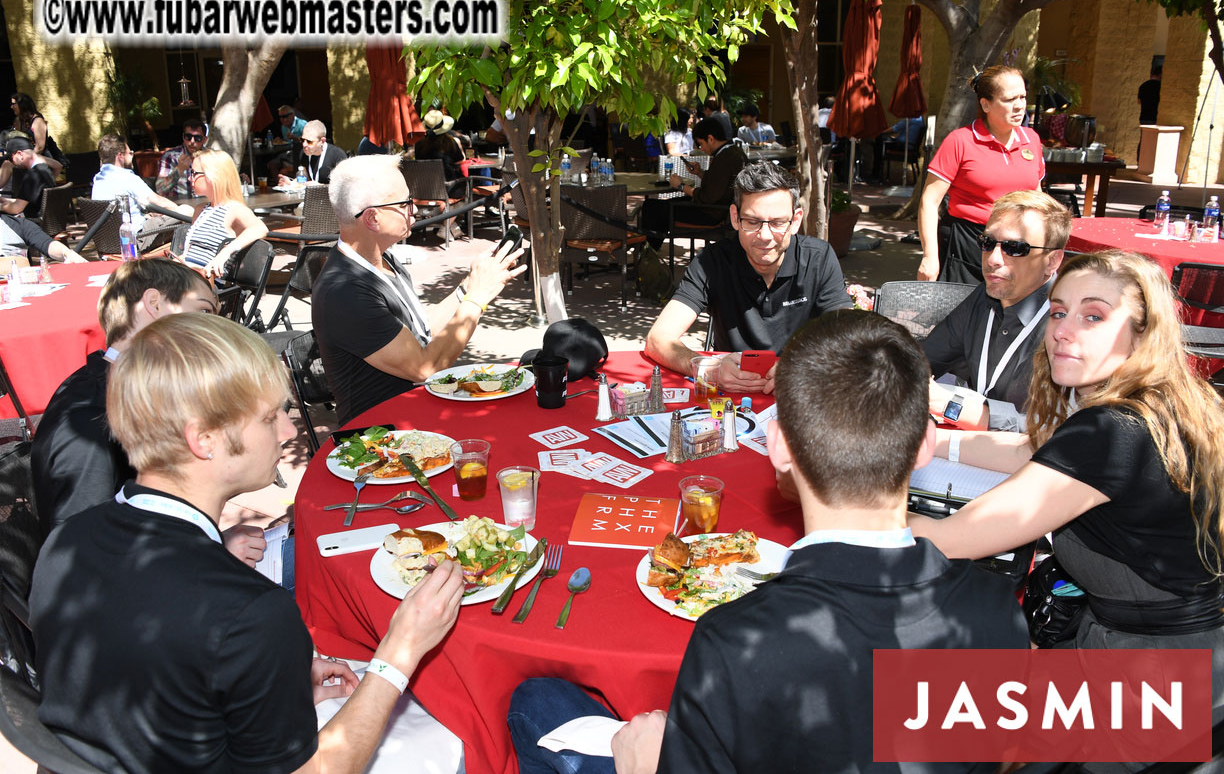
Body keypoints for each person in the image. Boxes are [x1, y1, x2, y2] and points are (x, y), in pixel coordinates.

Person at [509, 310, 1028, 774]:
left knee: (535, 702)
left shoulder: (734, 638)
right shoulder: (998, 609)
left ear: (778, 448)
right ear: (925, 448)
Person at [30, 312, 465, 774]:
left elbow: (138, 678)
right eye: (269, 416)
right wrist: (399, 652)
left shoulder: (64, 542)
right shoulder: (249, 611)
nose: (288, 431)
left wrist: (264, 689)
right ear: (204, 439)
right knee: (459, 734)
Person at [911, 249, 1224, 718]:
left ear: (1143, 335)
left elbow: (949, 538)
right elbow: (1037, 452)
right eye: (1058, 312)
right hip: (1162, 649)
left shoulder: (1112, 431)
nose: (1062, 329)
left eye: (1093, 316)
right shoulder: (1149, 404)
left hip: (1154, 677)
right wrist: (931, 442)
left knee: (915, 707)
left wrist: (843, 504)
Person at [312, 154, 526, 423]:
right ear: (372, 219)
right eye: (404, 203)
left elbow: (422, 332)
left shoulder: (381, 259)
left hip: (415, 418)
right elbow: (426, 367)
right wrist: (477, 298)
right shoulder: (344, 293)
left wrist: (468, 287)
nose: (412, 208)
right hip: (381, 442)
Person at [31, 258, 219, 536]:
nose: (214, 330)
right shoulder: (91, 415)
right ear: (154, 303)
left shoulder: (121, 387)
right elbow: (78, 550)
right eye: (203, 311)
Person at [644, 162, 851, 395]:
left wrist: (800, 366)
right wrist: (709, 367)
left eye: (777, 223)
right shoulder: (711, 261)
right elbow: (658, 339)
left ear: (795, 221)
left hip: (800, 389)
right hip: (729, 398)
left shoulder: (819, 258)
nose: (764, 236)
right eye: (752, 222)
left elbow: (846, 336)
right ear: (735, 217)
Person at [923, 190, 1070, 432]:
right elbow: (922, 362)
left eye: (1015, 248)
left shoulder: (1069, 325)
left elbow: (1056, 430)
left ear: (1052, 261)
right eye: (987, 243)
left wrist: (959, 409)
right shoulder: (985, 295)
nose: (993, 259)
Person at [918, 65, 1045, 284]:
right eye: (1009, 99)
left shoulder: (1031, 139)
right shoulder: (960, 141)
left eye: (1023, 97)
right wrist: (930, 256)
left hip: (1016, 245)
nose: (1019, 106)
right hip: (968, 242)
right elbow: (929, 201)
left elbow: (1037, 196)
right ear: (986, 104)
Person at [641, 117, 747, 248]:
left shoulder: (724, 159)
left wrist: (681, 186)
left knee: (652, 208)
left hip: (712, 213)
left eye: (701, 144)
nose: (701, 149)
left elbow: (708, 197)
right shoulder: (734, 152)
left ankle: (648, 253)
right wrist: (700, 173)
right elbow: (720, 183)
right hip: (719, 209)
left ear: (711, 139)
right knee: (658, 208)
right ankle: (649, 250)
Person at [177, 149, 270, 279]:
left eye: (193, 173)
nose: (189, 177)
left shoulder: (233, 209)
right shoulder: (200, 209)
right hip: (187, 275)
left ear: (212, 176)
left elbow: (260, 228)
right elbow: (193, 251)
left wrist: (226, 252)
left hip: (205, 281)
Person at [92, 134, 186, 245]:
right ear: (120, 156)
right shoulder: (127, 177)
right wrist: (178, 211)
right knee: (187, 211)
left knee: (155, 215)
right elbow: (158, 201)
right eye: (130, 153)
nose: (132, 157)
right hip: (136, 239)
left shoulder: (98, 179)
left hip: (109, 242)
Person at [0, 92, 65, 189]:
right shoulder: (20, 121)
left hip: (37, 158)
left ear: (22, 105)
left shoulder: (37, 121)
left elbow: (40, 147)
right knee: (5, 162)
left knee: (7, 165)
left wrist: (26, 158)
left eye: (14, 104)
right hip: (24, 157)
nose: (11, 107)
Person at [276, 119, 346, 186]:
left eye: (309, 142)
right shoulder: (304, 154)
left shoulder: (337, 155)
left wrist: (320, 187)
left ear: (322, 141)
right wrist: (290, 183)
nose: (304, 144)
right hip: (312, 196)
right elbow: (304, 179)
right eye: (302, 140)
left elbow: (344, 185)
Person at [415, 109, 468, 196]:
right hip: (449, 189)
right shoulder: (450, 142)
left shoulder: (419, 144)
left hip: (425, 189)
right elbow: (461, 161)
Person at [1, 135, 56, 219]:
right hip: (45, 219)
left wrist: (1, 207)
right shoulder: (44, 169)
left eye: (11, 158)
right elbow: (22, 202)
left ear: (19, 154)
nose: (12, 163)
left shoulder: (33, 175)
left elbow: (16, 209)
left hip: (31, 222)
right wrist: (2, 200)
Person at [155, 118, 207, 199]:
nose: (192, 141)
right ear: (183, 137)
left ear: (204, 140)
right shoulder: (170, 156)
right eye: (188, 137)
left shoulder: (211, 157)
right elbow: (160, 190)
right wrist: (179, 170)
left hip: (206, 205)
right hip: (179, 207)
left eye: (197, 138)